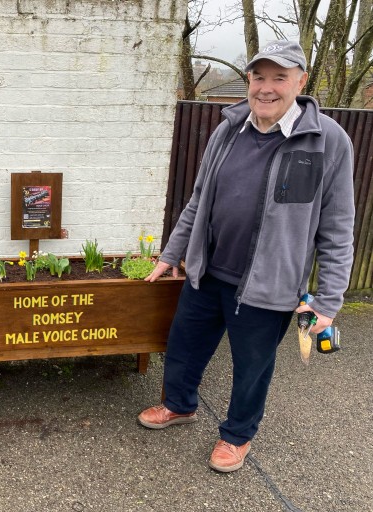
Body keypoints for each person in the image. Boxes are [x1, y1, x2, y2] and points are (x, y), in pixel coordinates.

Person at [138, 41, 355, 472]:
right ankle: (179, 405)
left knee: (251, 368)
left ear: (301, 81)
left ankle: (237, 436)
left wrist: (328, 301)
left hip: (268, 286)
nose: (267, 88)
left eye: (280, 77)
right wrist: (173, 252)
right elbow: (199, 199)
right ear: (249, 81)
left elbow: (337, 227)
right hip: (207, 271)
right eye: (259, 77)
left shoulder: (327, 140)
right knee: (183, 348)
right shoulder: (229, 128)